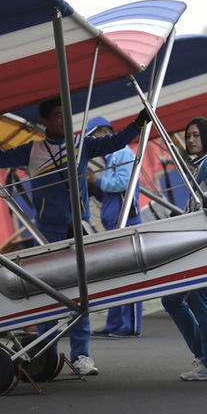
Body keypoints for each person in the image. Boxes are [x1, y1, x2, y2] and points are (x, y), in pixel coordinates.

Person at [0, 99, 150, 375]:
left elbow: (114, 143)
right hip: (46, 231)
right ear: (46, 121)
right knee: (45, 292)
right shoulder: (33, 150)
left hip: (78, 228)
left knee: (79, 292)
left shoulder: (81, 144)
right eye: (59, 116)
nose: (65, 120)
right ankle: (45, 352)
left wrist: (138, 123)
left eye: (67, 115)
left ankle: (81, 356)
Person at [160, 117, 207, 381]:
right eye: (188, 135)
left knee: (202, 303)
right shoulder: (204, 161)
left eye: (196, 135)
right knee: (173, 299)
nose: (190, 140)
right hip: (200, 239)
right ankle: (205, 357)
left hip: (204, 240)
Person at [85, 116, 143, 339]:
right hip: (113, 222)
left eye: (94, 137)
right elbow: (111, 192)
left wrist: (96, 182)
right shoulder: (111, 158)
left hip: (125, 222)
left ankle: (129, 326)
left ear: (104, 132)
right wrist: (96, 187)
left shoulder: (123, 153)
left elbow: (122, 184)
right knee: (115, 277)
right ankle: (114, 323)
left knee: (127, 276)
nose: (94, 143)